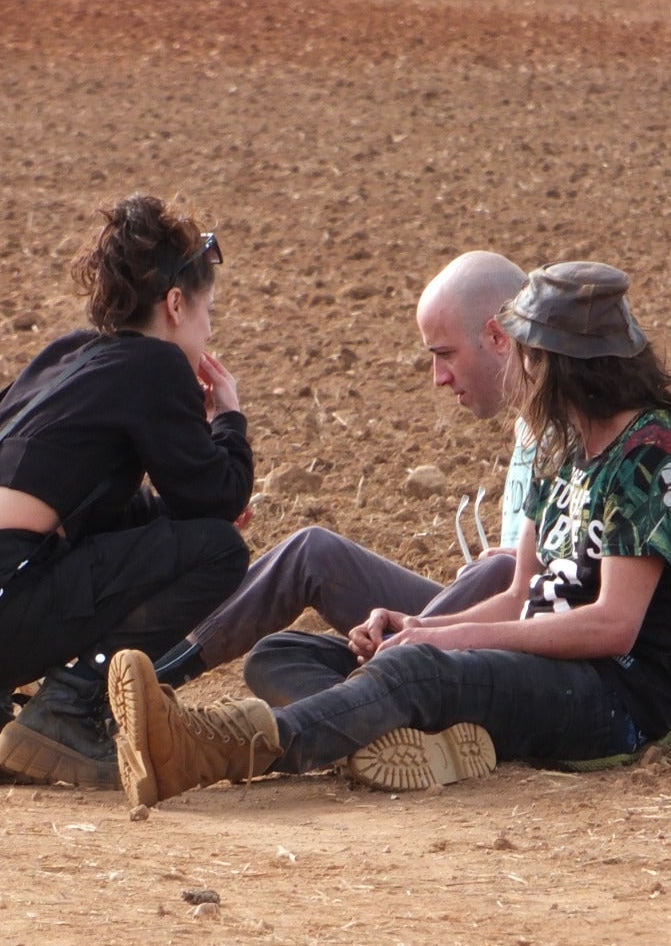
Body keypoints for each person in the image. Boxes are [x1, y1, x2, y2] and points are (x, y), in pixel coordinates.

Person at [107, 262, 671, 806]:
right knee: (284, 655)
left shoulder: (656, 455)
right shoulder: (559, 447)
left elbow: (611, 626)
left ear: (566, 364)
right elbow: (519, 595)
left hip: (613, 698)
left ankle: (216, 751)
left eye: (527, 353)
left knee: (417, 674)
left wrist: (445, 640)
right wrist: (420, 628)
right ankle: (414, 738)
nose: (517, 366)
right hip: (536, 660)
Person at [0, 193, 253, 789]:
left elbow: (104, 512)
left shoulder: (66, 356)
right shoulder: (156, 365)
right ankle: (69, 709)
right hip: (1, 620)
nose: (207, 333)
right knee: (221, 551)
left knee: (95, 531)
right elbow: (218, 503)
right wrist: (227, 419)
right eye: (208, 315)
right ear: (175, 304)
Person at [150, 250, 531, 690]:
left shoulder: (579, 428)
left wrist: (528, 567)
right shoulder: (530, 427)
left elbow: (596, 591)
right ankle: (158, 672)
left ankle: (388, 690)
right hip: (487, 626)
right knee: (286, 624)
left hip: (526, 648)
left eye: (445, 353)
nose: (437, 377)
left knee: (496, 572)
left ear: (498, 337)